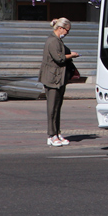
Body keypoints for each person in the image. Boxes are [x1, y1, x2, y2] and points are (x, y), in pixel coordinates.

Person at [39, 17, 79, 146]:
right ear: (60, 28)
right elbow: (59, 58)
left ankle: (57, 132)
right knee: (52, 108)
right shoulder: (52, 41)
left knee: (57, 108)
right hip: (52, 79)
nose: (67, 33)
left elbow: (63, 52)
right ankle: (51, 135)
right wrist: (72, 55)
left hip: (59, 79)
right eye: (67, 30)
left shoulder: (58, 40)